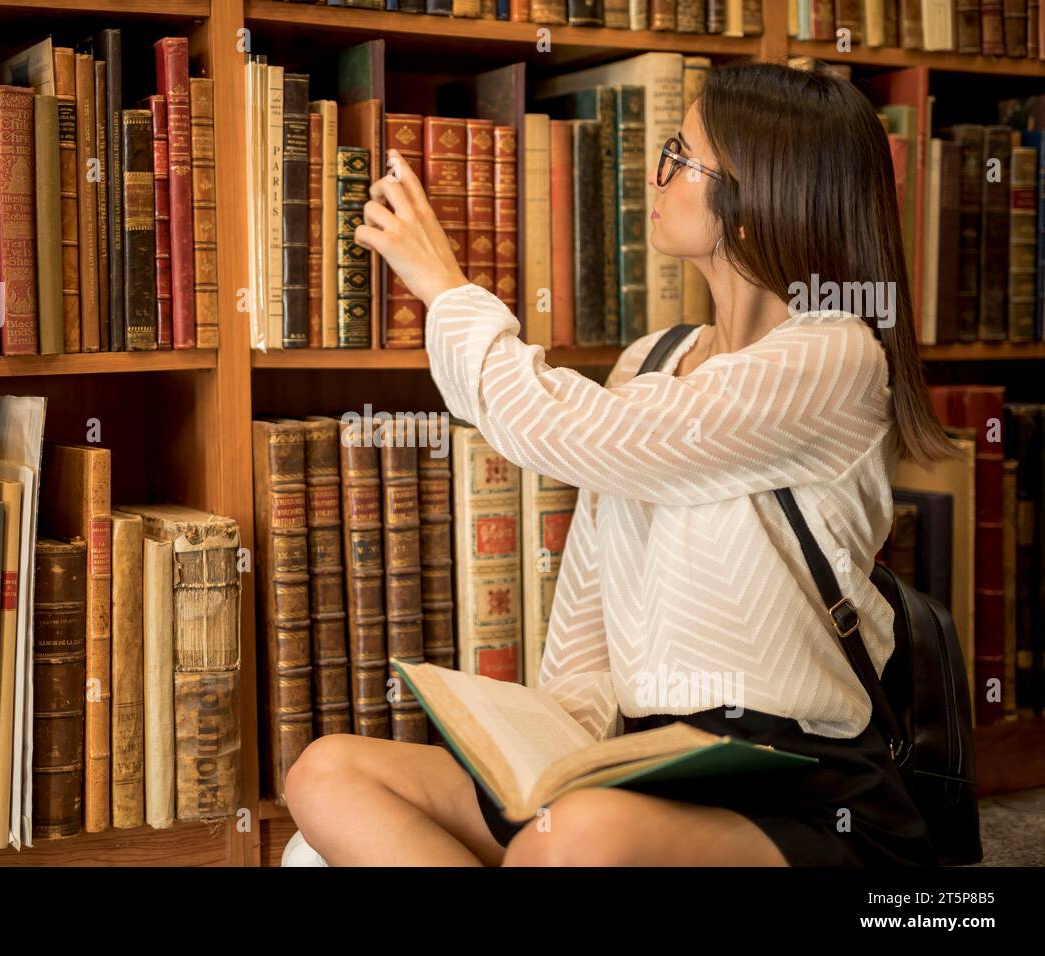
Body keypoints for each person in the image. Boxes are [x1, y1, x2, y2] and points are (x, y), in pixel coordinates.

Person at [282, 60, 955, 866]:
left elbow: (575, 431)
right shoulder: (653, 359)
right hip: (643, 764)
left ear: (757, 196)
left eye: (680, 156)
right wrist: (551, 751)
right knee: (328, 775)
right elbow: (592, 601)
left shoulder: (832, 358)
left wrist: (446, 288)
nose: (655, 173)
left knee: (571, 842)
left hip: (794, 777)